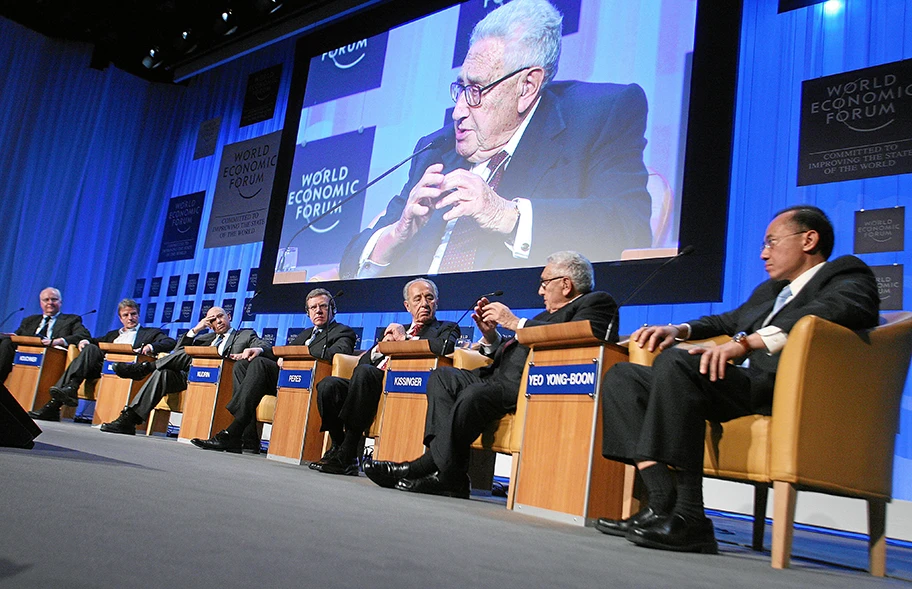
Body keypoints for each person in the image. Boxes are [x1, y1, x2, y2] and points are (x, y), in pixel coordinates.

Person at [595, 205, 880, 554]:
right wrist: (678, 328)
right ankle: (660, 502)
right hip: (746, 385)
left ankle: (691, 518)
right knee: (624, 376)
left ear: (809, 240)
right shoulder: (770, 291)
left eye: (772, 242)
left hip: (790, 388)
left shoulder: (845, 274)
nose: (763, 253)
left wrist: (747, 343)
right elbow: (726, 321)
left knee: (678, 363)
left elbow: (839, 309)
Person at [339, 0, 651, 279]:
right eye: (461, 88)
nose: (458, 111)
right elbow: (350, 263)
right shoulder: (437, 148)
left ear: (527, 87)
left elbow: (629, 229)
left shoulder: (600, 117)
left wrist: (507, 216)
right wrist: (398, 233)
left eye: (476, 90)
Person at [364, 251, 617, 497]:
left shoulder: (596, 303)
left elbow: (584, 335)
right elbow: (512, 349)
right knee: (443, 377)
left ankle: (423, 467)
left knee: (474, 394)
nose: (540, 291)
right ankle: (452, 475)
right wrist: (491, 335)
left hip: (526, 383)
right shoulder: (543, 316)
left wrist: (514, 322)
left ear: (565, 285)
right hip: (493, 376)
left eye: (544, 283)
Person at [312, 278, 459, 476]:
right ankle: (339, 444)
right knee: (328, 385)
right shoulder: (392, 328)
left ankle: (348, 451)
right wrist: (380, 348)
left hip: (401, 385)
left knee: (367, 373)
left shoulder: (446, 328)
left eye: (429, 298)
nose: (424, 303)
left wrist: (403, 341)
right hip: (366, 384)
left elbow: (444, 347)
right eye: (417, 299)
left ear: (436, 303)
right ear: (407, 306)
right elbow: (363, 362)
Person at [191, 289, 357, 454]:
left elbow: (339, 353)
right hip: (289, 380)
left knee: (261, 365)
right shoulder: (305, 334)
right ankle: (247, 438)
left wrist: (299, 354)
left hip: (315, 383)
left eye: (323, 306)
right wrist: (258, 350)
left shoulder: (343, 331)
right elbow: (282, 352)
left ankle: (234, 432)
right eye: (313, 308)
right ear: (308, 313)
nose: (318, 311)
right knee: (244, 364)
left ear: (333, 309)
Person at [100, 306, 272, 436]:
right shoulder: (205, 338)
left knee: (180, 360)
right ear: (209, 325)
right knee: (164, 372)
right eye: (212, 320)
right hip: (193, 377)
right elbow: (178, 352)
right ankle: (130, 419)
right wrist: (196, 329)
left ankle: (145, 368)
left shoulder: (245, 334)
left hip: (224, 378)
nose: (218, 321)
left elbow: (263, 345)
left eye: (221, 316)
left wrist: (256, 351)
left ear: (229, 317)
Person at [27, 298, 176, 422]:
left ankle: (54, 405)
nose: (130, 318)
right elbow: (94, 341)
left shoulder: (150, 333)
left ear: (138, 315)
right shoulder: (112, 335)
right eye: (126, 315)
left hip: (126, 370)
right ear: (120, 318)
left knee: (91, 353)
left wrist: (150, 346)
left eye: (133, 314)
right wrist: (85, 342)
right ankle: (69, 388)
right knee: (91, 348)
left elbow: (170, 342)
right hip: (103, 369)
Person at [0, 287, 92, 386]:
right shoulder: (30, 320)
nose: (50, 303)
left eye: (54, 299)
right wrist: (12, 336)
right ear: (40, 303)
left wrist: (57, 341)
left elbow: (84, 335)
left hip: (52, 355)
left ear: (60, 302)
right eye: (46, 300)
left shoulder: (71, 320)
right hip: (27, 352)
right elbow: (18, 335)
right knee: (7, 342)